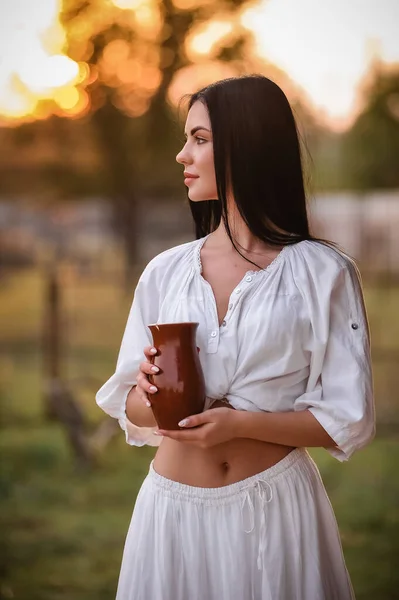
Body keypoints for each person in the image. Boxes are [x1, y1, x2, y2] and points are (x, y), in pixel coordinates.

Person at [96, 75, 375, 600]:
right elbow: (129, 408)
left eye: (199, 139)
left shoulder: (324, 273)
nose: (182, 154)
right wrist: (149, 391)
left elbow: (347, 420)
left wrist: (238, 425)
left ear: (246, 145)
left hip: (277, 512)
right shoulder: (165, 272)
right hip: (171, 515)